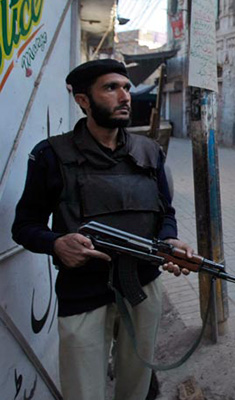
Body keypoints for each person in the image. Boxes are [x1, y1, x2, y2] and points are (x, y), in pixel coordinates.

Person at [11, 59, 194, 400]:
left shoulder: (150, 152)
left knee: (135, 388)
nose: (124, 96)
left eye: (126, 87)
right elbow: (24, 227)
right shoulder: (50, 155)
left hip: (142, 290)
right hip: (82, 295)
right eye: (111, 88)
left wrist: (169, 240)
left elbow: (165, 213)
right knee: (84, 392)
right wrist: (56, 244)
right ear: (83, 100)